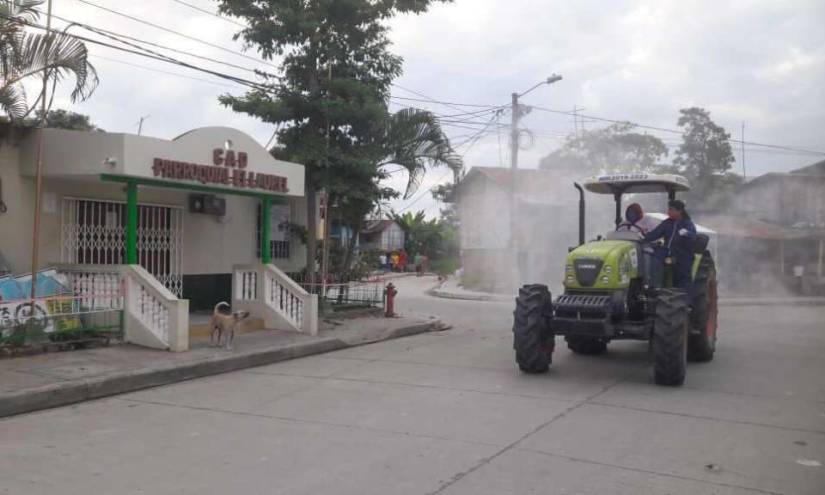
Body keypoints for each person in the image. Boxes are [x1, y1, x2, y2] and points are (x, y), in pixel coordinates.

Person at [642, 199, 697, 289]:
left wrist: (687, 233)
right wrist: (643, 238)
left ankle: (684, 293)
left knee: (683, 273)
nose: (668, 212)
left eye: (671, 210)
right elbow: (655, 233)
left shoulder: (687, 223)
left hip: (682, 252)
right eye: (669, 210)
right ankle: (655, 285)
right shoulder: (667, 223)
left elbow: (694, 236)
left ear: (680, 211)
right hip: (667, 250)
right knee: (654, 257)